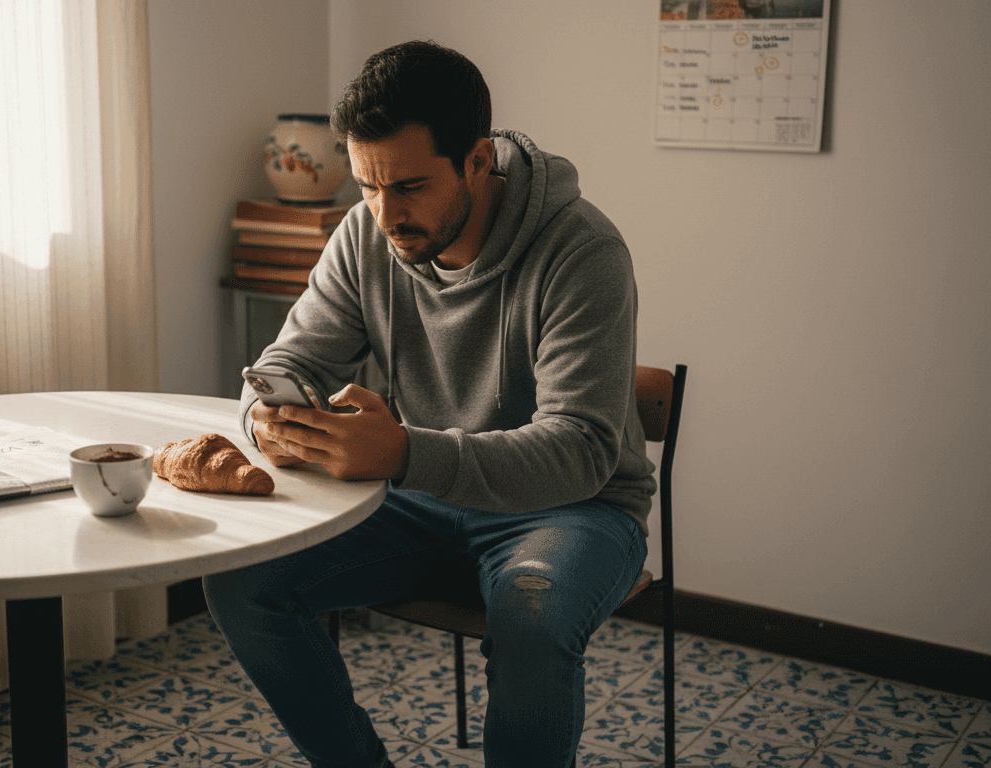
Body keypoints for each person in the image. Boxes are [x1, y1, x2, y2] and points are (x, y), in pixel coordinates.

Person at [203, 39, 655, 768]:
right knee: (238, 579)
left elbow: (580, 451)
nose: (385, 213)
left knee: (531, 616)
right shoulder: (365, 234)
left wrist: (407, 451)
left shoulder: (583, 251)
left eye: (409, 186)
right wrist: (266, 419)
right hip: (421, 497)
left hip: (574, 508)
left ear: (477, 160)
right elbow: (288, 360)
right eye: (367, 186)